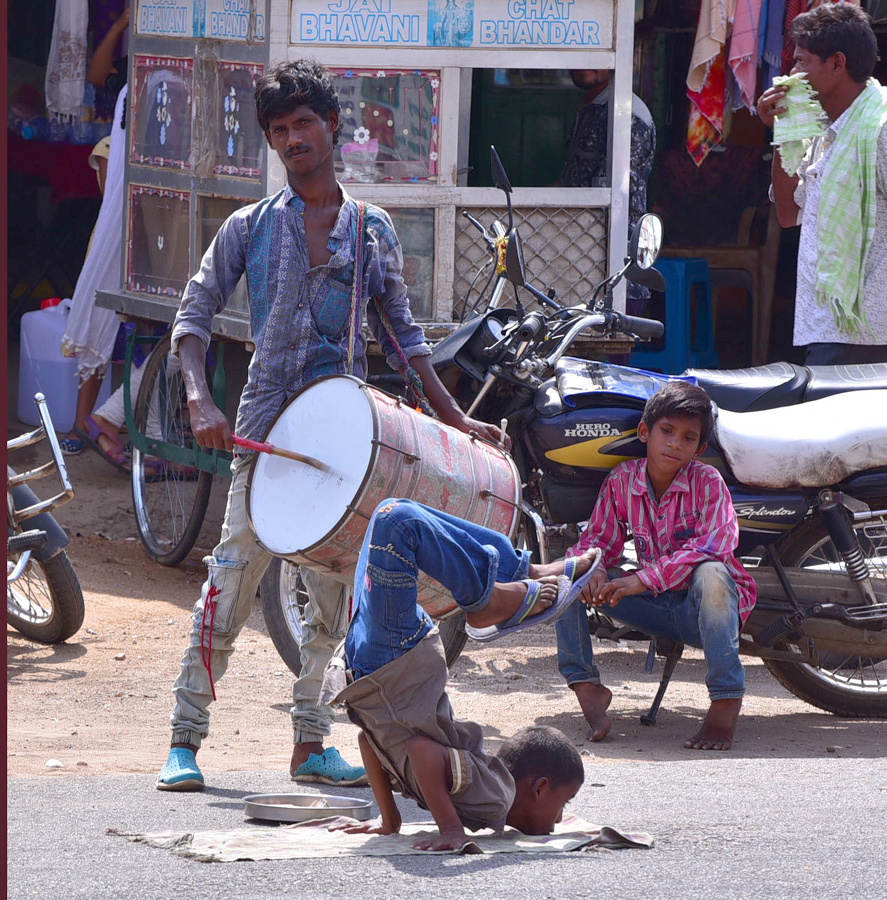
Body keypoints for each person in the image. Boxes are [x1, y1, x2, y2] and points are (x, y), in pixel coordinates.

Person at [156, 60, 507, 792]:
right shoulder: (247, 227)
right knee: (230, 582)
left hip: (348, 448)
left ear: (332, 128)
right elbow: (189, 320)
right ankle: (185, 740)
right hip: (264, 435)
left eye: (304, 124)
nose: (293, 140)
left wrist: (461, 424)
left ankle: (310, 746)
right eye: (279, 131)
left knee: (331, 604)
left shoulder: (372, 228)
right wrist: (199, 398)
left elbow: (407, 345)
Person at [322, 498, 600, 850]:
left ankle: (516, 576)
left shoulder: (483, 802)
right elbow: (422, 750)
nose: (560, 819)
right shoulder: (496, 796)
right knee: (397, 523)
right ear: (540, 787)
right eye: (564, 805)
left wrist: (389, 822)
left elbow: (370, 742)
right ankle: (489, 599)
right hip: (392, 666)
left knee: (390, 514)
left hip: (374, 672)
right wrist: (451, 829)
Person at [553, 381, 756, 751]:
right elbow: (598, 540)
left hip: (705, 614)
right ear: (645, 432)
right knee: (572, 572)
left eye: (688, 438)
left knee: (711, 571)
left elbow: (716, 543)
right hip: (655, 608)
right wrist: (595, 568)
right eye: (667, 431)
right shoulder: (623, 480)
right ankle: (586, 687)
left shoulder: (707, 481)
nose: (676, 443)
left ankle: (726, 699)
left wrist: (641, 580)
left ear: (699, 448)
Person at [755, 3, 887, 367]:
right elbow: (788, 214)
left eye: (802, 62)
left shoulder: (885, 133)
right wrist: (784, 133)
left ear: (836, 63)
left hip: (861, 329)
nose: (792, 74)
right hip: (822, 324)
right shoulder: (824, 132)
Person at [58, 7, 131, 457]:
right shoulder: (125, 89)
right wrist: (123, 25)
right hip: (119, 215)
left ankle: (110, 420)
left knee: (133, 325)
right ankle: (83, 422)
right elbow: (96, 75)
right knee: (101, 307)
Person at [559, 70, 656, 321]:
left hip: (614, 276)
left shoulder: (627, 114)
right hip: (578, 267)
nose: (586, 65)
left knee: (604, 357)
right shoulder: (594, 109)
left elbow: (612, 196)